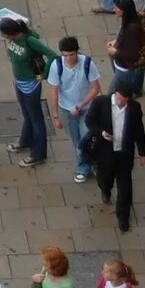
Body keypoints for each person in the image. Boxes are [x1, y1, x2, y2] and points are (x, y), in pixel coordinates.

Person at [82, 78, 145, 233]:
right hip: (105, 152)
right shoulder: (101, 103)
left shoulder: (134, 108)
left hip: (125, 153)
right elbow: (89, 120)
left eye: (125, 100)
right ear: (116, 93)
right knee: (104, 179)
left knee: (125, 187)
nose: (122, 102)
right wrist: (101, 132)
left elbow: (139, 130)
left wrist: (143, 152)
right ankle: (105, 189)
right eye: (120, 98)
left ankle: (123, 217)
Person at [0, 16, 58, 168]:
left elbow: (53, 55)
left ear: (10, 33)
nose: (2, 37)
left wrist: (44, 75)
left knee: (36, 119)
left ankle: (38, 154)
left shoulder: (30, 41)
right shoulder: (13, 40)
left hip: (30, 84)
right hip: (19, 81)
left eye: (3, 34)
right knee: (27, 114)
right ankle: (25, 141)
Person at [47, 34, 101, 183]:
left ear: (77, 52)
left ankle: (85, 166)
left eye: (71, 54)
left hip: (87, 108)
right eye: (65, 55)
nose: (69, 58)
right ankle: (86, 165)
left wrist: (80, 106)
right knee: (77, 141)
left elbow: (95, 88)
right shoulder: (56, 65)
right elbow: (54, 91)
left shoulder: (87, 64)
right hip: (66, 109)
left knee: (85, 138)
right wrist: (56, 116)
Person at [107, 0, 145, 97]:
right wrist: (116, 41)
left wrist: (114, 52)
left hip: (125, 68)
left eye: (117, 7)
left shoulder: (132, 29)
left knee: (111, 96)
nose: (114, 10)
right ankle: (136, 90)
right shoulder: (131, 19)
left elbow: (132, 55)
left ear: (124, 10)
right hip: (124, 66)